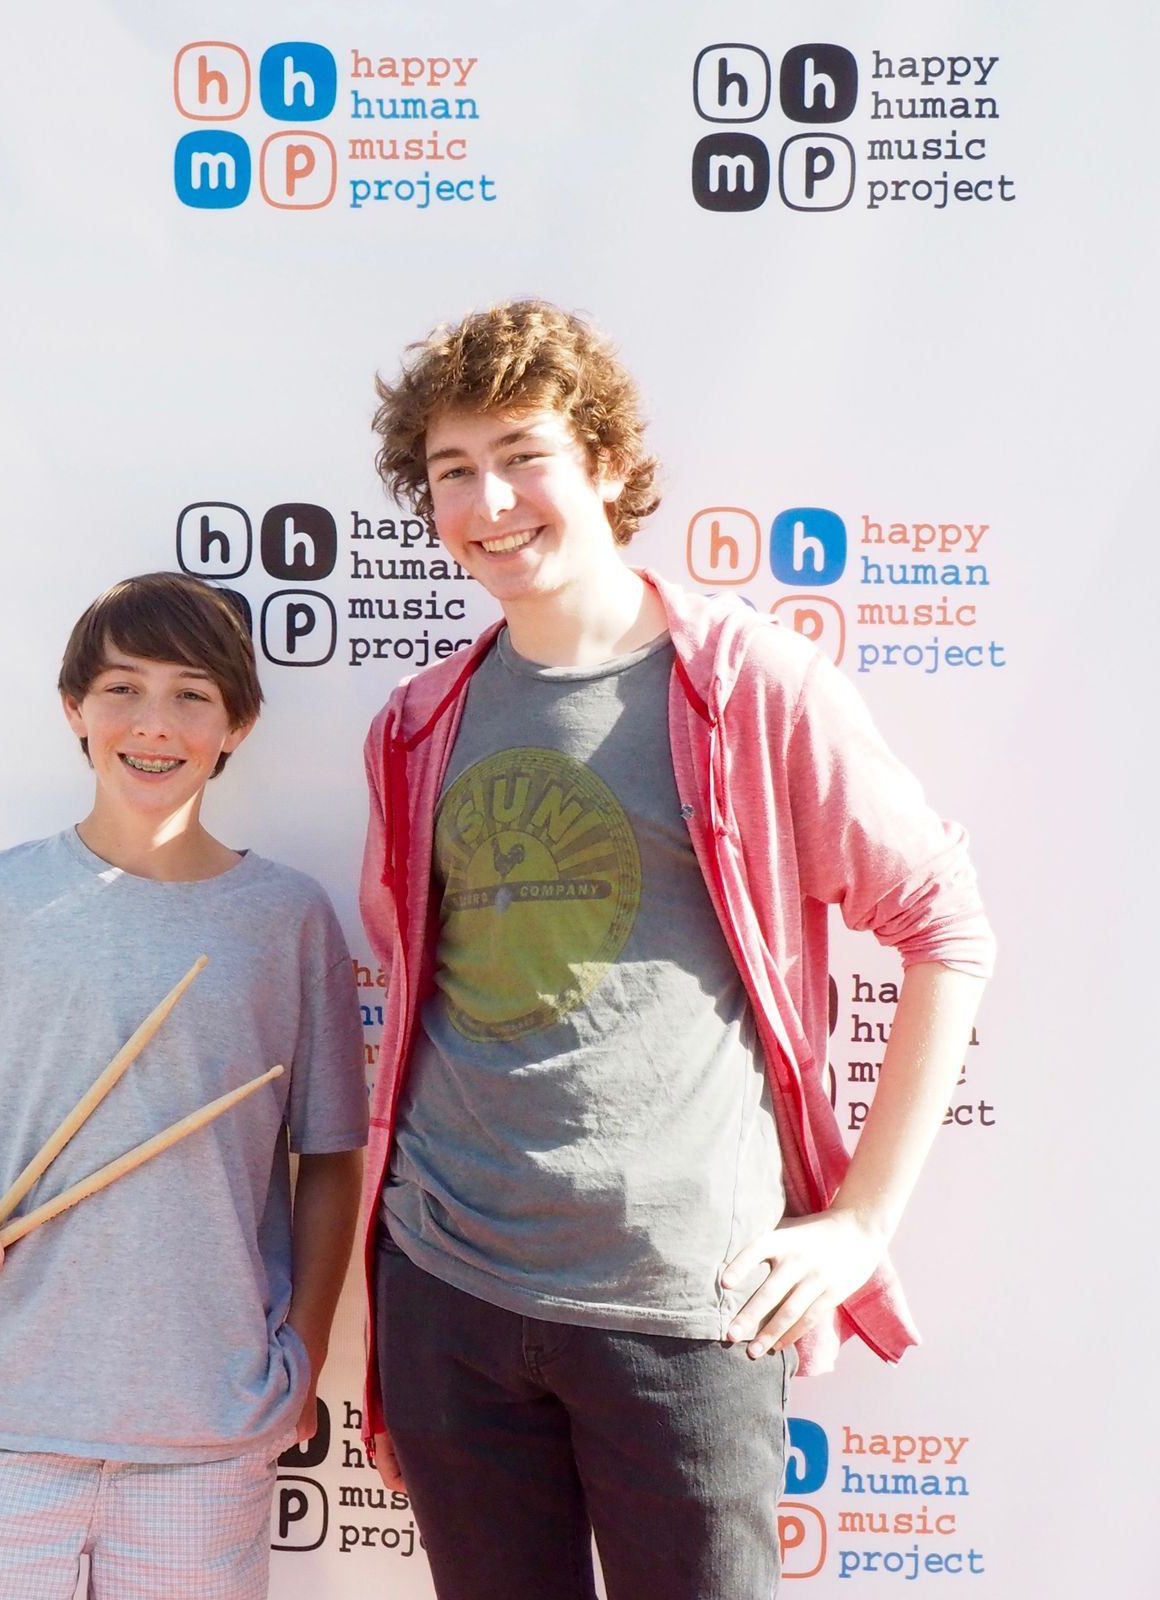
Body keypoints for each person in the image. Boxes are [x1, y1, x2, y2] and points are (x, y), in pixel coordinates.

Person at [356, 301, 995, 1599]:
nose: (489, 501)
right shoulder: (417, 721)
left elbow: (944, 926)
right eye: (452, 471)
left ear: (602, 462)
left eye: (523, 455)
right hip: (448, 1289)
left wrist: (861, 1222)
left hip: (685, 1301)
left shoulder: (753, 689)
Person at [0, 571, 367, 1600]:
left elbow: (332, 1159)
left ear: (237, 725)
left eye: (191, 694)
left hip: (207, 1425)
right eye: (122, 688)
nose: (152, 723)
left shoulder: (288, 918)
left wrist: (301, 1351)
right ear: (73, 708)